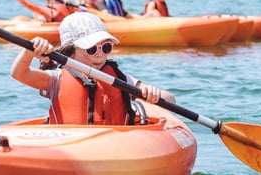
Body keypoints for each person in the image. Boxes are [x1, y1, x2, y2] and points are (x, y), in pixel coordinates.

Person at [11, 12, 174, 125]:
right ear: (71, 52)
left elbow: (170, 99)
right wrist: (29, 51)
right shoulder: (56, 79)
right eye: (91, 49)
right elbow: (19, 74)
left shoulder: (119, 78)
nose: (99, 55)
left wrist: (151, 94)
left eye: (106, 48)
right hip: (70, 144)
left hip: (113, 145)